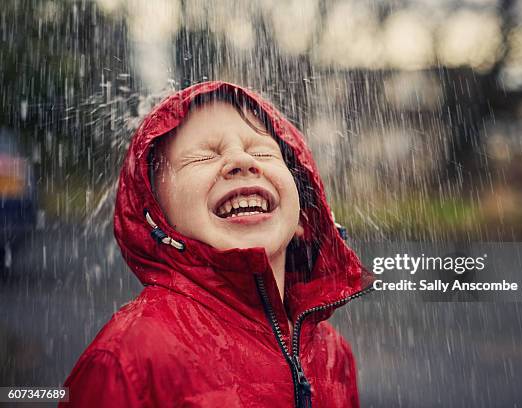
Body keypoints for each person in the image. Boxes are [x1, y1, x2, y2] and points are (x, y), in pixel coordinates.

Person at [59, 81, 375, 407]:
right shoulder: (128, 360)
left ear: (303, 217)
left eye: (262, 152)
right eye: (204, 156)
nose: (241, 160)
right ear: (157, 215)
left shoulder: (334, 355)